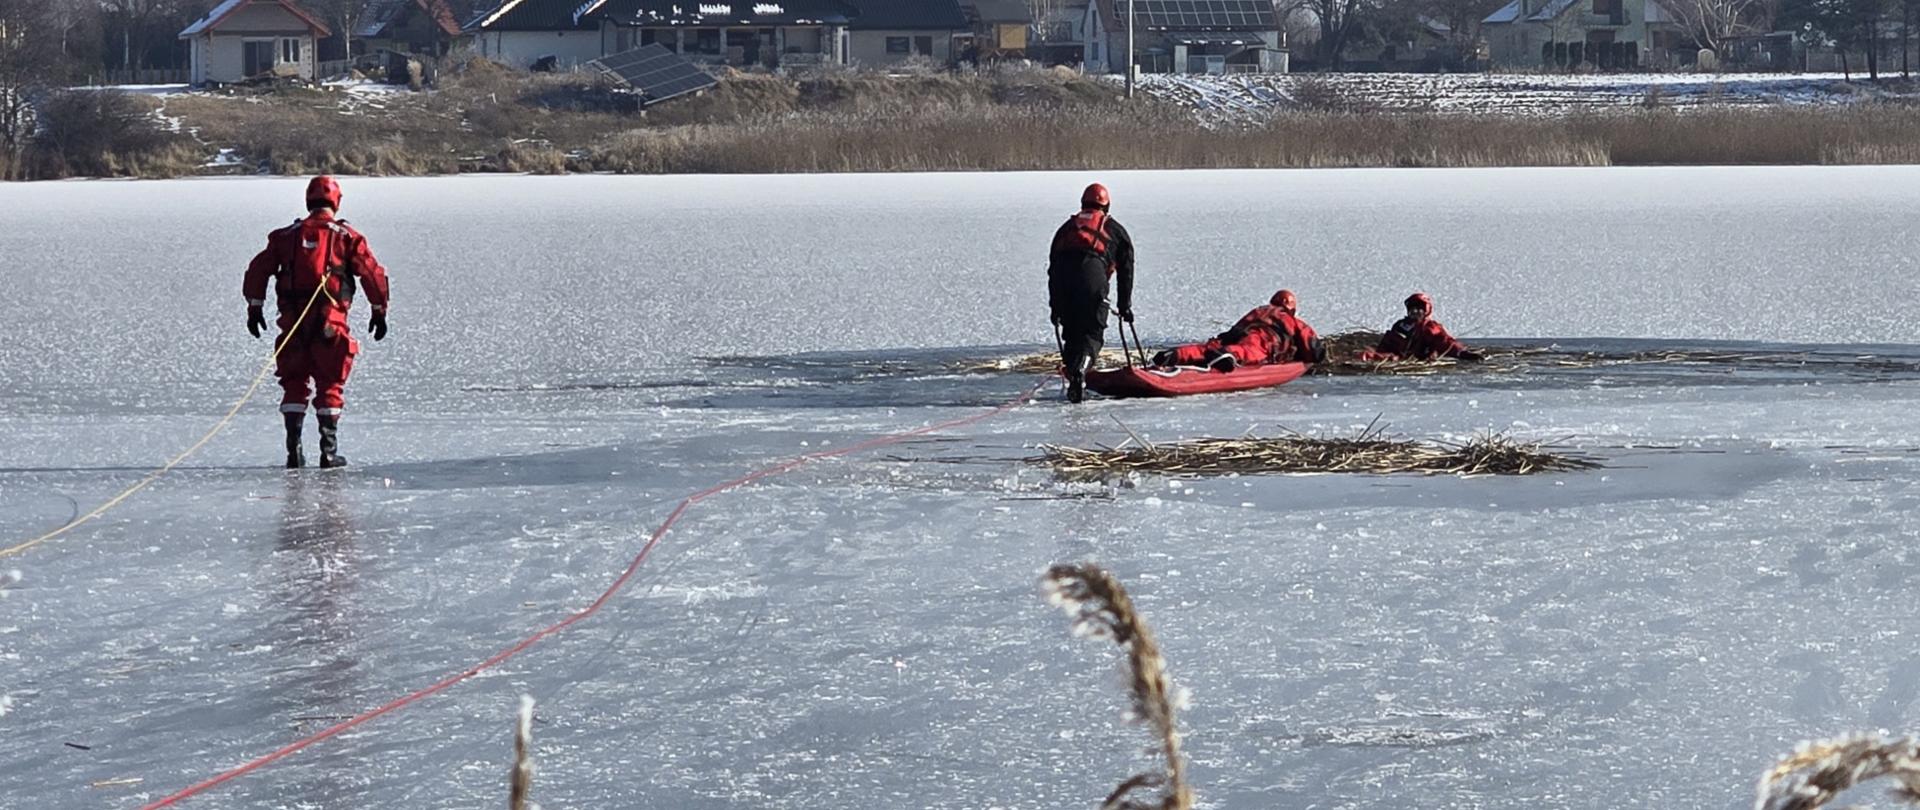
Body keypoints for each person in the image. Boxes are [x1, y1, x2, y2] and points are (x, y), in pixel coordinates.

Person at [244, 176, 391, 468]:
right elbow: (372, 273)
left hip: (293, 327)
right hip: (330, 325)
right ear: (336, 202)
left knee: (294, 383)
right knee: (330, 384)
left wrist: (254, 307)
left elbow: (257, 270)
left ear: (308, 201)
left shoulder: (285, 237)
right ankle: (328, 451)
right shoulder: (347, 237)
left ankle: (293, 451)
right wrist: (379, 309)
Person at [1048, 182, 1136, 403]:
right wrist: (1125, 306)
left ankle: (1076, 375)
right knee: (1092, 334)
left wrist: (1055, 307)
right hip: (1092, 279)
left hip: (1063, 282)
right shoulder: (1114, 229)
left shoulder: (1066, 229)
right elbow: (1126, 268)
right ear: (1106, 206)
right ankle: (1080, 372)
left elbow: (1053, 268)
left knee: (1072, 333)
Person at [1152, 289, 1325, 371]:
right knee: (1250, 352)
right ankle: (1228, 356)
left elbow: (1237, 329)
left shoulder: (1259, 310)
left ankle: (1177, 354)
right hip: (1264, 341)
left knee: (1208, 349)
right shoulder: (1292, 320)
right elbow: (1313, 349)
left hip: (1242, 333)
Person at [1361, 292, 1482, 362]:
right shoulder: (1400, 325)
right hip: (1392, 358)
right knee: (1364, 355)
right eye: (1412, 309)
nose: (1415, 312)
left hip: (1412, 360)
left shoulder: (1430, 327)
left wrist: (1462, 353)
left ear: (1426, 310)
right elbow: (1386, 344)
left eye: (1419, 309)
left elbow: (1445, 343)